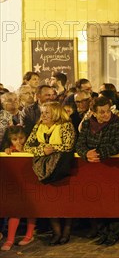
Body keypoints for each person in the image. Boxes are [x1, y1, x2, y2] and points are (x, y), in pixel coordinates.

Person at [76, 96, 119, 246]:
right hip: (92, 169)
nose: (106, 115)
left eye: (107, 111)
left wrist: (98, 153)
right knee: (97, 202)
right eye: (102, 112)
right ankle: (102, 232)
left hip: (111, 168)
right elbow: (79, 144)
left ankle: (114, 233)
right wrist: (86, 153)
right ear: (93, 113)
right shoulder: (87, 124)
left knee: (112, 202)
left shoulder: (117, 124)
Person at [23, 102, 76, 246]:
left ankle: (66, 232)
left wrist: (49, 148)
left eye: (47, 113)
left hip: (62, 168)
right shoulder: (38, 126)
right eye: (43, 112)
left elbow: (68, 145)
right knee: (50, 202)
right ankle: (56, 232)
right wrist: (42, 151)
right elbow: (27, 146)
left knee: (65, 202)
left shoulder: (66, 125)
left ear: (57, 113)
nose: (44, 116)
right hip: (44, 169)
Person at [1, 127, 36, 251]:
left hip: (31, 182)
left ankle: (29, 234)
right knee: (15, 211)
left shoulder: (32, 147)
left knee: (31, 210)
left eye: (21, 138)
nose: (18, 142)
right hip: (16, 185)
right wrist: (7, 152)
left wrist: (25, 150)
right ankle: (10, 239)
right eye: (14, 139)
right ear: (9, 140)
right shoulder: (8, 150)